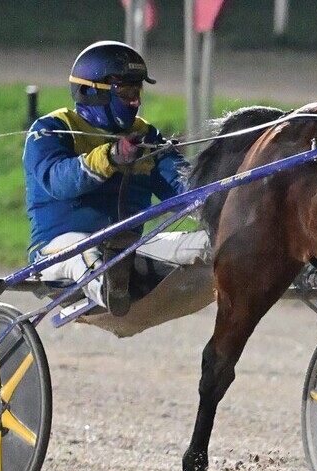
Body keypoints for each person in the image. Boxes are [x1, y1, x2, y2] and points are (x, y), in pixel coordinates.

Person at [23, 41, 209, 316]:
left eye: (137, 90)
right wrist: (110, 157)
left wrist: (228, 191)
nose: (135, 100)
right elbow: (57, 180)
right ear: (91, 91)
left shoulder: (146, 136)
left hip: (127, 250)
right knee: (84, 254)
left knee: (210, 241)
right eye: (125, 90)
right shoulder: (51, 129)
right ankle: (111, 292)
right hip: (58, 250)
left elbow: (184, 188)